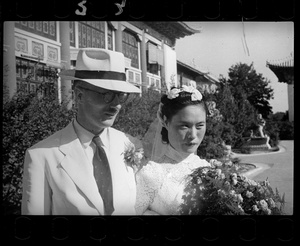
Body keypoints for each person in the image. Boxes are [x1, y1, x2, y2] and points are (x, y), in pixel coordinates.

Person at [21, 48, 141, 215]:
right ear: (79, 96)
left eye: (120, 95)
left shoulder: (131, 144)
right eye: (106, 94)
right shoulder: (42, 155)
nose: (116, 105)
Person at [136, 85, 211, 215]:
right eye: (184, 126)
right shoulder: (151, 174)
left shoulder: (206, 167)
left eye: (199, 126)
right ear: (165, 121)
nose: (193, 135)